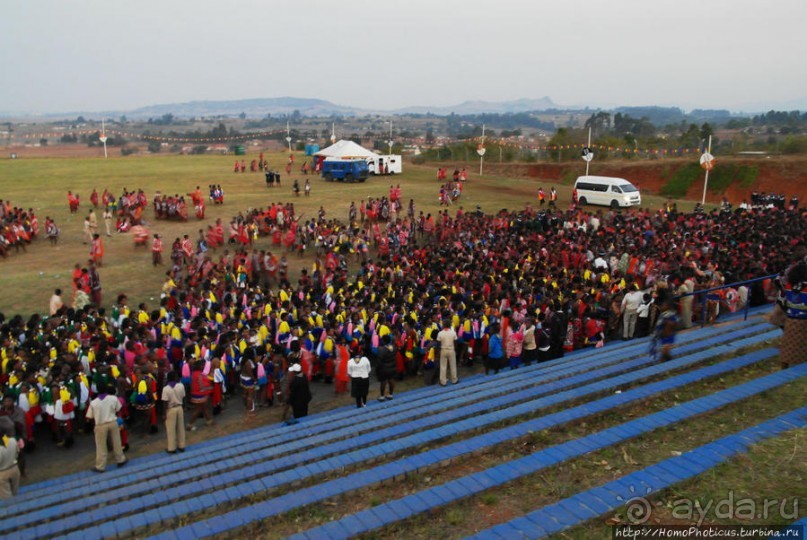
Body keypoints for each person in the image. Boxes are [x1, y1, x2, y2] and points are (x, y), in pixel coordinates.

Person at [85, 383, 128, 473]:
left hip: (100, 425)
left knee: (101, 446)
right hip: (112, 422)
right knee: (117, 442)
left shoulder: (93, 403)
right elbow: (118, 409)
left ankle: (100, 466)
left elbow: (89, 417)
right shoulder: (113, 398)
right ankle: (120, 459)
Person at [777, 250, 807, 369]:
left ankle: (784, 367)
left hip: (790, 320)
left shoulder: (788, 287)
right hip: (804, 321)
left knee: (788, 348)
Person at [161, 371, 186, 454]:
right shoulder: (181, 386)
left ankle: (172, 448)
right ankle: (181, 445)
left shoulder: (166, 389)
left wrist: (164, 414)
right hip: (179, 407)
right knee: (180, 427)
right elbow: (183, 397)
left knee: (171, 429)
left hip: (170, 409)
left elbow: (165, 402)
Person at [0, 417, 20, 499]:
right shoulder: (12, 440)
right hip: (14, 469)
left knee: (6, 497)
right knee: (15, 492)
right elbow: (17, 453)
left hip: (2, 472)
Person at [436, 319, 459, 386]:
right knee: (453, 365)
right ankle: (454, 379)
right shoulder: (453, 333)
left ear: (443, 325)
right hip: (451, 350)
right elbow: (455, 342)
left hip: (443, 350)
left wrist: (438, 352)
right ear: (450, 325)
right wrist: (456, 350)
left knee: (443, 366)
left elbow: (438, 343)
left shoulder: (440, 333)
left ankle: (443, 381)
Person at [375, 334, 397, 401]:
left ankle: (382, 396)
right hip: (392, 366)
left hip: (384, 368)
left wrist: (377, 369)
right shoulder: (394, 347)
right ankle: (390, 394)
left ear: (383, 341)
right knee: (391, 380)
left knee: (383, 382)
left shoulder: (382, 350)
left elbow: (379, 361)